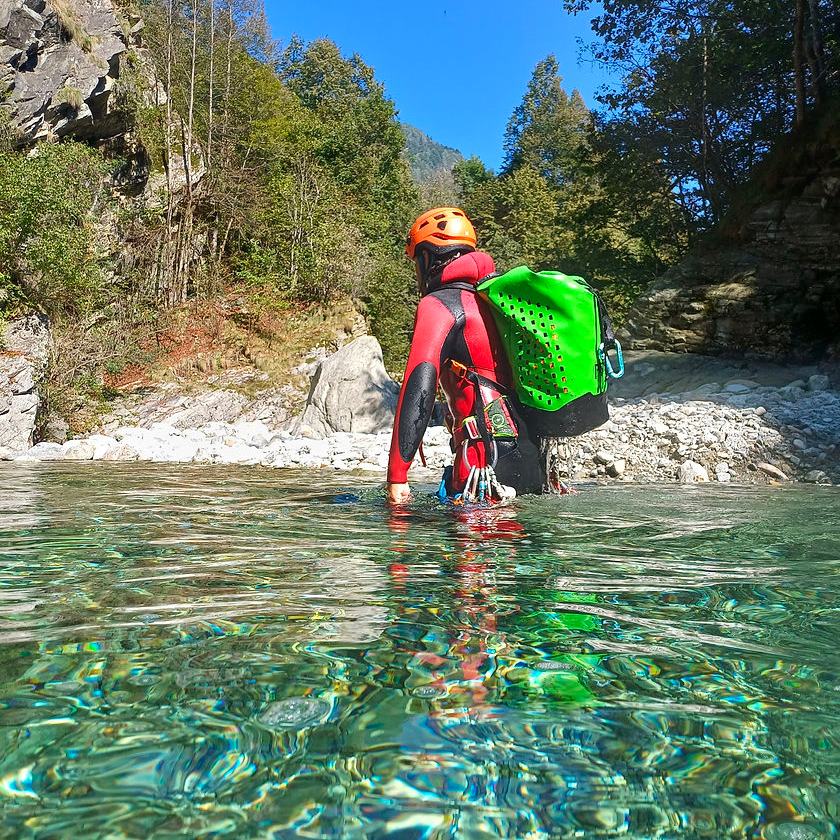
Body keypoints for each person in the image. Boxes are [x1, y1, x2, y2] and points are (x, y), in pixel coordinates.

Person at [386, 207, 545, 505]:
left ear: (427, 257)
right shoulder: (496, 302)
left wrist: (397, 476)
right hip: (534, 456)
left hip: (486, 461)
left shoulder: (438, 305)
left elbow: (419, 386)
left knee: (472, 551)